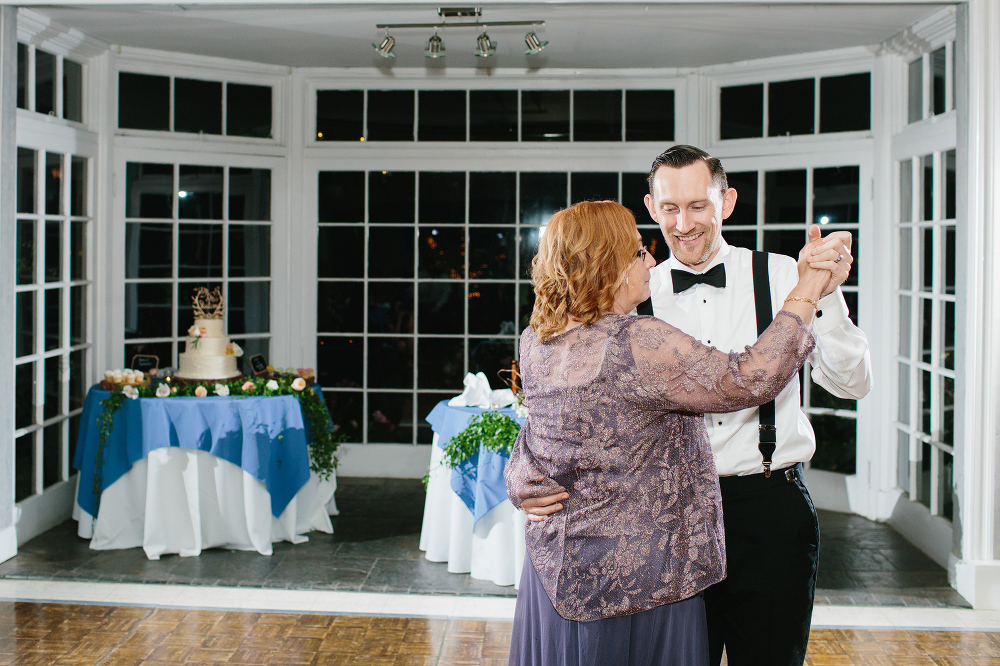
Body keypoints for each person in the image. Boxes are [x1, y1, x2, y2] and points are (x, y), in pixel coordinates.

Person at [522, 146, 873, 666]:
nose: (682, 224)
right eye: (669, 208)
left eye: (697, 206)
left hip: (766, 509)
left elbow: (852, 384)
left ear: (726, 202)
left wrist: (823, 293)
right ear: (650, 206)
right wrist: (526, 476)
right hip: (666, 525)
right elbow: (563, 401)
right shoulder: (631, 289)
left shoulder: (787, 277)